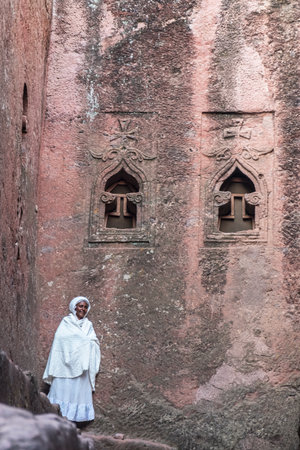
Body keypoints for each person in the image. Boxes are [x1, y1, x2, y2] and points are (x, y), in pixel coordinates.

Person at [43, 296, 101, 423]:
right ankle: (57, 417)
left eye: (85, 307)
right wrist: (82, 341)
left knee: (76, 393)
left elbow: (93, 341)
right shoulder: (66, 322)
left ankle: (72, 422)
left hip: (82, 366)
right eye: (81, 306)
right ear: (74, 307)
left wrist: (87, 343)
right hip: (64, 365)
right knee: (62, 390)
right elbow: (60, 339)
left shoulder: (88, 325)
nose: (83, 309)